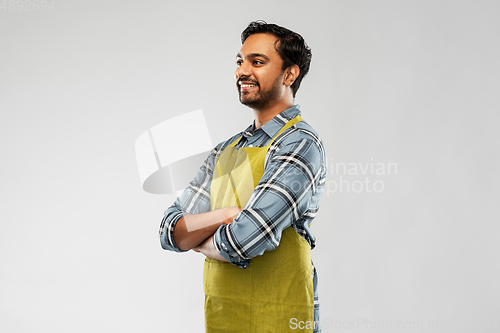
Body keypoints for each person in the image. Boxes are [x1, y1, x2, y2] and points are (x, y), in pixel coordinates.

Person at [159, 21, 326, 333]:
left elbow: (242, 241)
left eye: (257, 62)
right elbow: (171, 231)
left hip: (280, 314)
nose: (242, 71)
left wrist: (199, 238)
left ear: (289, 74)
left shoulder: (300, 143)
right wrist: (226, 215)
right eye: (240, 61)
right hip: (225, 313)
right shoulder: (226, 150)